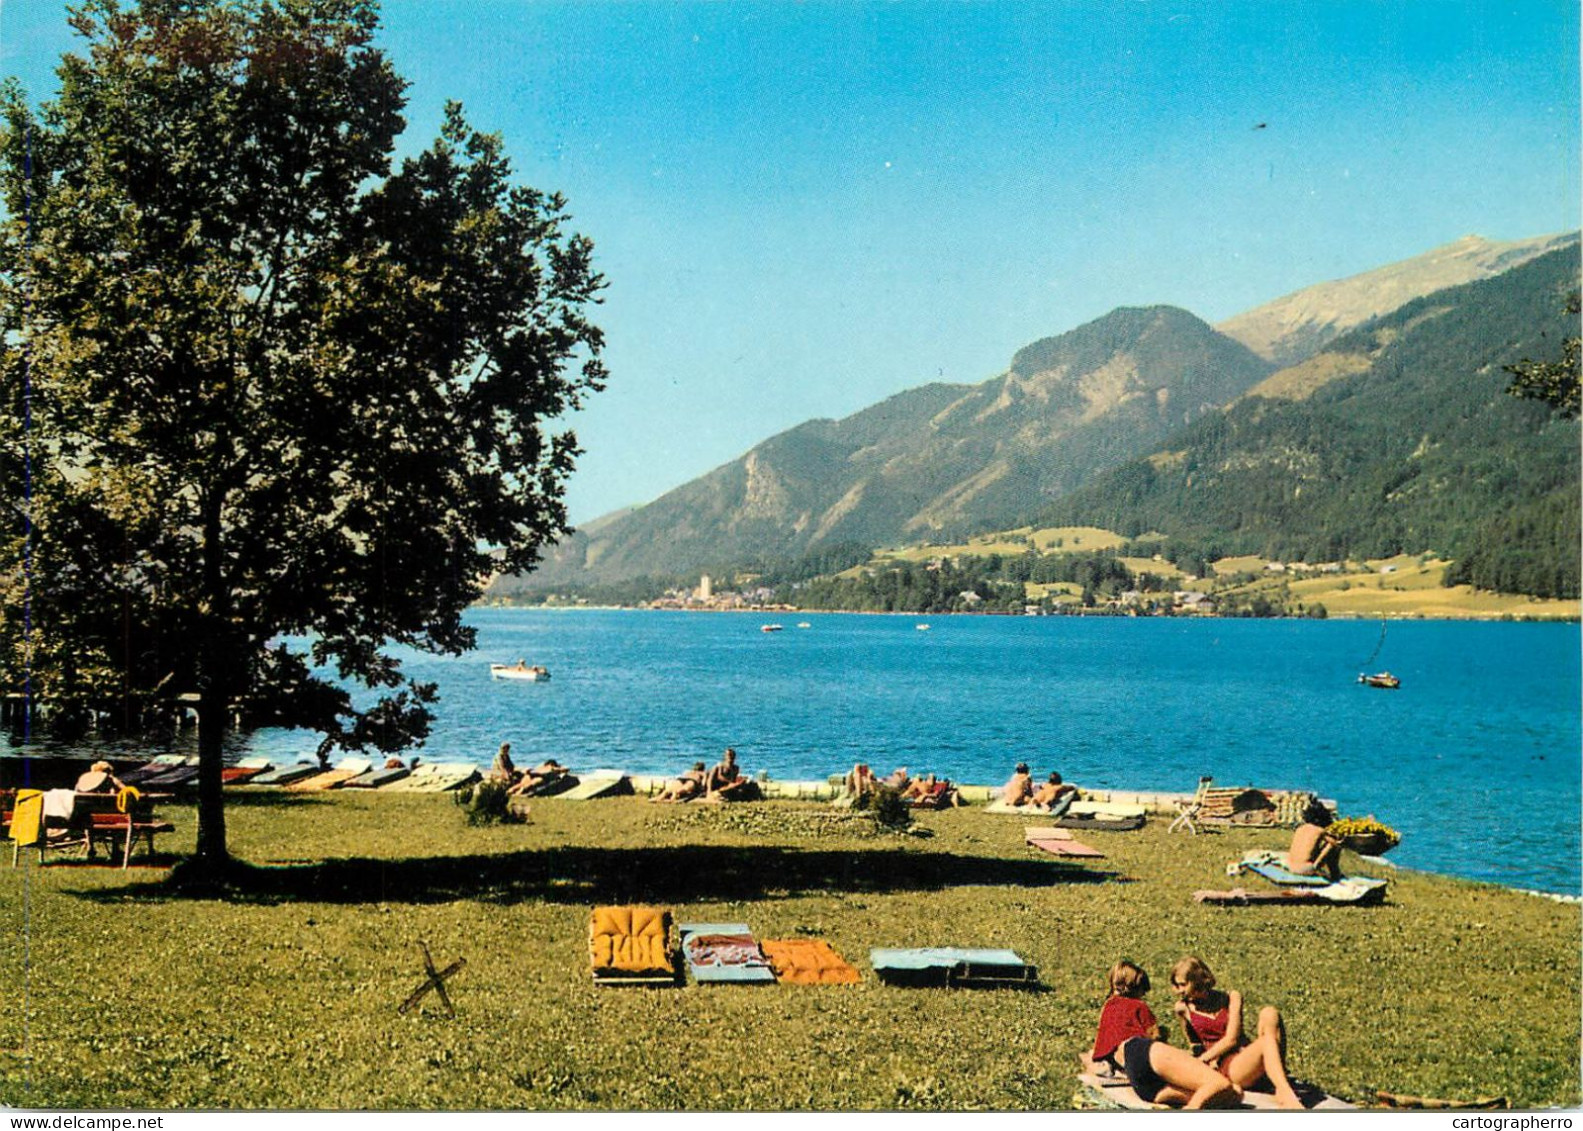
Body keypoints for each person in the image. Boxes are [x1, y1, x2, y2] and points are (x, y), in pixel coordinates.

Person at [1083, 960, 1241, 1110]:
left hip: (1143, 1083)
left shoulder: (1109, 1006)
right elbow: (1154, 1036)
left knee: (1233, 1094)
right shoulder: (1139, 1006)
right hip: (1140, 1050)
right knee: (1220, 1084)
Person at [1169, 956, 1306, 1110]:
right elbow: (1194, 1043)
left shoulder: (1231, 998)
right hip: (1227, 1065)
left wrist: (1202, 1059)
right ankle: (1285, 1092)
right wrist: (1201, 1062)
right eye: (1177, 985)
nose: (1179, 991)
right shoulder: (1183, 1008)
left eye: (1183, 985)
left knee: (1270, 1013)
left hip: (1244, 1055)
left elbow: (1232, 1039)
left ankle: (1278, 1082)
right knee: (1266, 1041)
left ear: (1197, 980)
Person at [1286, 800, 1343, 880]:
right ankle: (1333, 872)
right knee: (1332, 846)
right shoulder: (1319, 830)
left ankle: (1326, 870)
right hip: (1305, 869)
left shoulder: (1300, 828)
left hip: (1290, 866)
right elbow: (1335, 843)